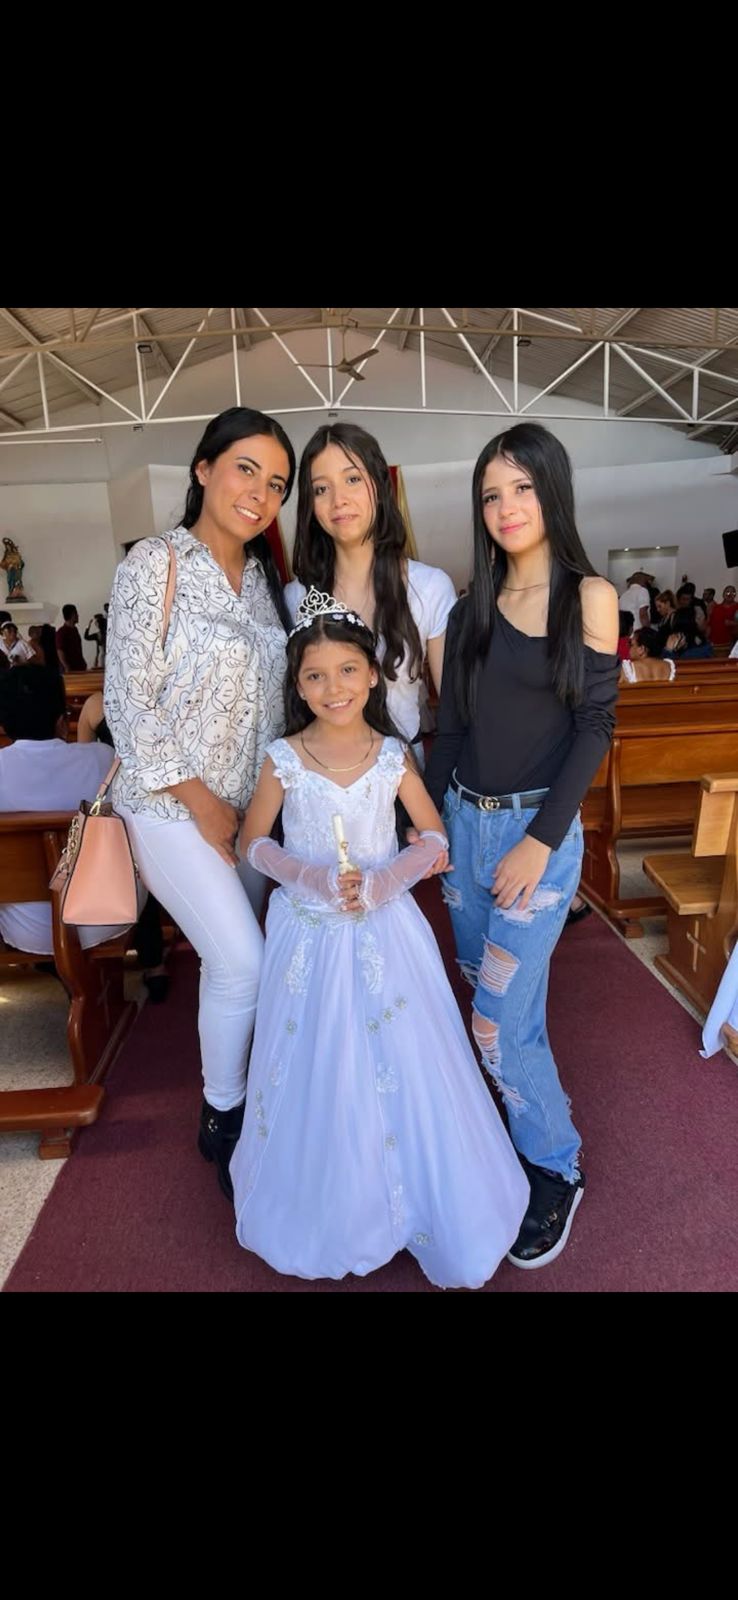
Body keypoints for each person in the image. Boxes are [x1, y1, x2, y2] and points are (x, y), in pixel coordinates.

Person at [229, 591, 529, 1286]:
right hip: (309, 932)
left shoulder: (392, 755)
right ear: (298, 685)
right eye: (314, 675)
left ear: (371, 675)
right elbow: (252, 842)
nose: (332, 687)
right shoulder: (283, 758)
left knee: (407, 1055)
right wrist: (305, 875)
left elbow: (434, 838)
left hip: (385, 926)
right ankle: (334, 1206)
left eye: (346, 670)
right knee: (321, 1057)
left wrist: (387, 879)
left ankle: (424, 1199)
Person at [425, 422, 620, 1270]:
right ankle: (517, 1131)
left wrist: (541, 841)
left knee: (494, 1018)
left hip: (534, 835)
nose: (506, 507)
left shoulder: (590, 597)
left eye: (523, 488)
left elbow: (594, 726)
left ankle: (555, 1162)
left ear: (552, 491)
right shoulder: (469, 610)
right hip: (465, 827)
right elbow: (452, 729)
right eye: (491, 495)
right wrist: (430, 827)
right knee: (499, 1006)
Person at [103, 406, 296, 1200]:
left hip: (250, 813)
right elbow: (127, 702)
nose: (260, 493)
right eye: (246, 468)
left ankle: (257, 1095)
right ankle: (222, 1116)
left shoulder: (267, 584)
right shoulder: (156, 562)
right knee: (241, 961)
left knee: (247, 959)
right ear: (204, 469)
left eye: (276, 483)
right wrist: (202, 802)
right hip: (167, 802)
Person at [285, 422, 457, 766]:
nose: (338, 500)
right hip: (324, 774)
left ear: (378, 485)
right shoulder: (296, 597)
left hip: (406, 773)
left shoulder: (430, 587)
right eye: (321, 489)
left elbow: (455, 715)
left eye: (352, 479)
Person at [0, 667, 117, 955]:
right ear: (61, 721)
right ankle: (153, 960)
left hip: (24, 930)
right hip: (107, 919)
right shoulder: (103, 759)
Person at [77, 688, 170, 1002]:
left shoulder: (96, 704)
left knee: (127, 858)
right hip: (163, 795)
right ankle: (156, 962)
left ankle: (153, 961)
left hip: (117, 801)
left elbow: (85, 757)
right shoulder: (166, 694)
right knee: (138, 862)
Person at [55, 605, 87, 672]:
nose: (78, 616)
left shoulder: (75, 630)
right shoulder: (62, 632)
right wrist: (66, 666)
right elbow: (60, 651)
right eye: (76, 613)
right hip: (70, 670)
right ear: (72, 615)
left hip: (79, 667)